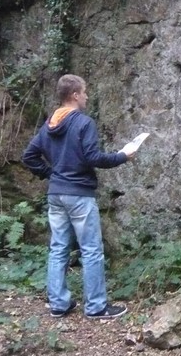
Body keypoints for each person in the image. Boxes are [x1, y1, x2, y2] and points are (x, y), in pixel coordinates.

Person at [22, 74, 139, 320]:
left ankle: (59, 304)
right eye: (84, 92)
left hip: (56, 195)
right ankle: (96, 307)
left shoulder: (49, 125)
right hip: (79, 196)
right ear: (74, 95)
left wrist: (51, 174)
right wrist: (122, 155)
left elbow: (29, 156)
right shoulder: (84, 123)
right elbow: (93, 158)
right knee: (91, 250)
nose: (86, 96)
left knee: (58, 249)